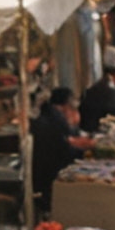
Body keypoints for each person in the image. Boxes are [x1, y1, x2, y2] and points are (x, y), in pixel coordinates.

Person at [30, 88, 94, 219]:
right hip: (48, 185)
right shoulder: (54, 120)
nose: (74, 113)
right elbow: (65, 150)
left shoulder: (50, 118)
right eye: (71, 108)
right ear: (62, 107)